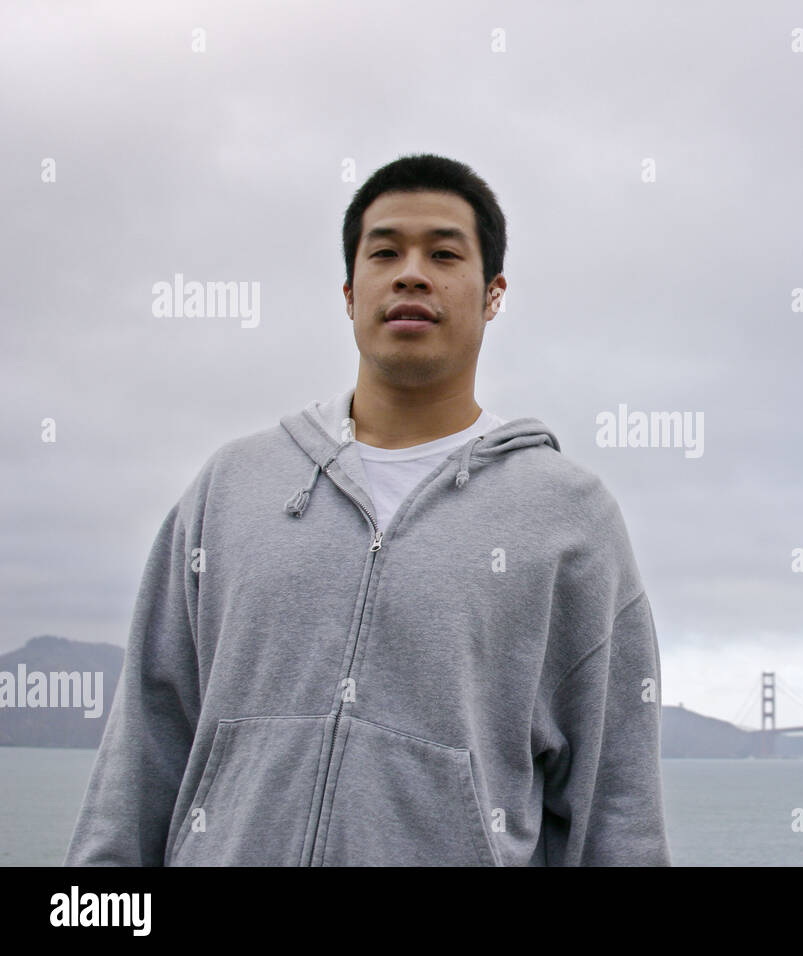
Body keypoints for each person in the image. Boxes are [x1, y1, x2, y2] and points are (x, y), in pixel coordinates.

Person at [63, 153, 671, 866]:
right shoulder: (232, 486)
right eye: (385, 251)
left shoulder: (569, 517)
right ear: (351, 292)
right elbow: (146, 741)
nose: (411, 272)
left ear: (493, 293)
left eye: (444, 253)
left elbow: (616, 807)